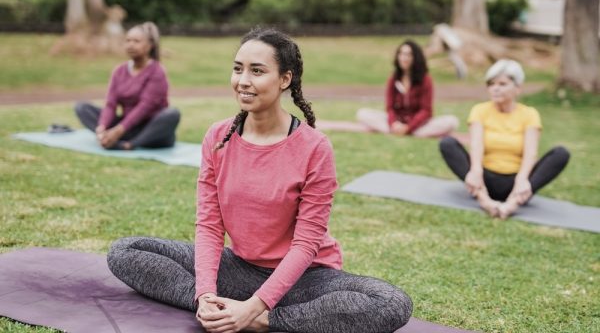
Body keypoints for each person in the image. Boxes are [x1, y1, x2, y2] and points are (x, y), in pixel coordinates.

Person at [107, 28, 413, 333]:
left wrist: (258, 310)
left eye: (257, 71)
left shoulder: (315, 147)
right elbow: (210, 225)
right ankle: (219, 309)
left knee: (390, 302)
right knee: (126, 250)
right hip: (240, 269)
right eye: (238, 69)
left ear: (285, 79)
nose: (243, 81)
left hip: (303, 278)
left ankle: (261, 319)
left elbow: (306, 244)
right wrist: (204, 294)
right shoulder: (217, 137)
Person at [439, 59, 570, 219]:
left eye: (502, 84)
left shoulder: (529, 114)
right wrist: (475, 172)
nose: (495, 89)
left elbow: (531, 153)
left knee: (561, 153)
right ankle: (484, 201)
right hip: (484, 180)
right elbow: (476, 145)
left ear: (518, 88)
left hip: (516, 182)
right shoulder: (479, 110)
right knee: (447, 143)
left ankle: (513, 203)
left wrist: (522, 181)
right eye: (491, 84)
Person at [317, 40, 459, 138]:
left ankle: (407, 132)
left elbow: (426, 111)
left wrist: (409, 127)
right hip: (396, 122)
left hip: (417, 124)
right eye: (402, 54)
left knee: (451, 122)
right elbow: (390, 108)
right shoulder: (394, 78)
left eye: (408, 54)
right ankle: (396, 131)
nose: (404, 58)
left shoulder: (425, 80)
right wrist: (394, 124)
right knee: (363, 114)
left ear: (416, 58)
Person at [74, 22, 180, 150]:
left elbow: (144, 108)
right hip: (127, 126)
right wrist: (102, 127)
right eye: (128, 40)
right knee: (82, 107)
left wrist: (118, 131)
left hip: (151, 129)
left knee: (172, 114)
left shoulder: (157, 71)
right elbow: (110, 104)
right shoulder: (119, 71)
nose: (130, 45)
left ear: (150, 46)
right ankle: (108, 137)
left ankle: (129, 144)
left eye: (136, 41)